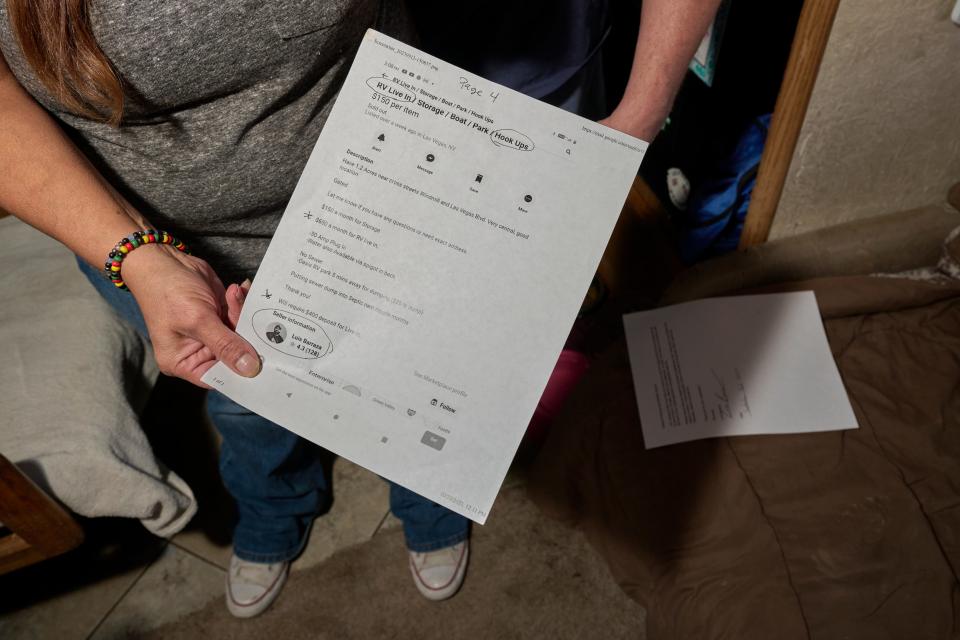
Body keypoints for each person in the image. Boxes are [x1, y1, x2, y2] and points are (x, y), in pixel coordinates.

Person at [0, 0, 720, 619]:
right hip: (142, 232)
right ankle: (275, 506)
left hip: (392, 189)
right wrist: (135, 252)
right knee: (244, 402)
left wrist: (636, 116)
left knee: (420, 380)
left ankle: (429, 504)